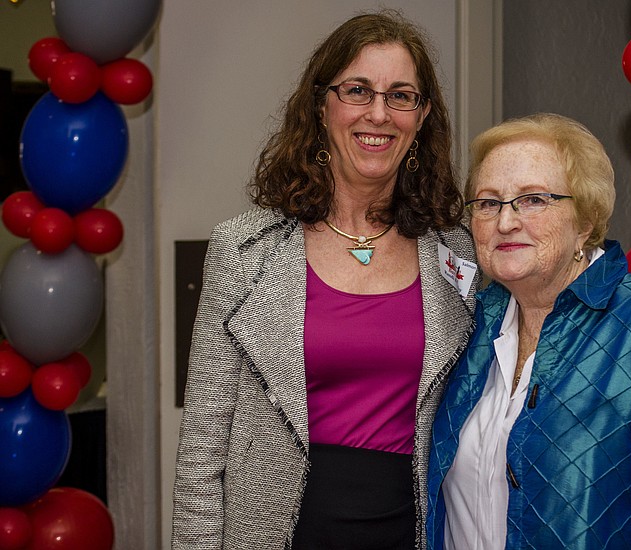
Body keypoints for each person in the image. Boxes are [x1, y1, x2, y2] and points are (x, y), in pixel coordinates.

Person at [172, 10, 480, 550]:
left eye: (401, 95)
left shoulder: (459, 255)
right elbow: (201, 454)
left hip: (416, 533)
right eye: (358, 90)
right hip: (277, 533)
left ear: (423, 114)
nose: (379, 114)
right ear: (321, 104)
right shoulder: (245, 251)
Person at [426, 113, 631, 549]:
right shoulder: (471, 324)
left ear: (584, 220)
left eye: (533, 199)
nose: (505, 222)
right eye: (488, 203)